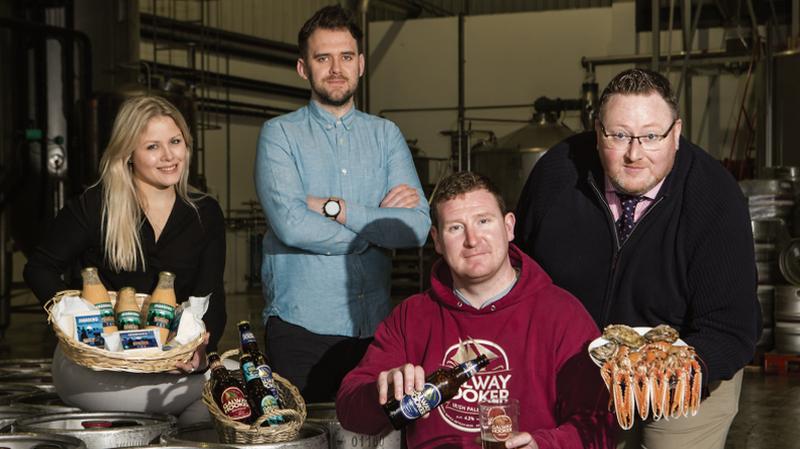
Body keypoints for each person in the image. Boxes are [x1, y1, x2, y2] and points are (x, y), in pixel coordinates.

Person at [514, 68, 760, 449]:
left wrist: (671, 373)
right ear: (598, 133)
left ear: (676, 133)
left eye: (651, 136)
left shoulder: (715, 197)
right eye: (619, 135)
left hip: (685, 371)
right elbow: (521, 277)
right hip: (578, 364)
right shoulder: (557, 174)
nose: (634, 153)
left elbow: (731, 329)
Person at [336, 171, 615, 449]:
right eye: (455, 228)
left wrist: (544, 445)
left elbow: (600, 422)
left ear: (508, 227)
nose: (472, 239)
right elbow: (349, 412)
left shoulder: (562, 314)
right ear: (437, 240)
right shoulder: (412, 317)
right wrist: (381, 390)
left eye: (483, 221)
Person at [254, 5, 430, 403]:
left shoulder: (386, 135)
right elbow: (291, 224)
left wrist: (336, 209)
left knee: (377, 439)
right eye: (323, 58)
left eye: (346, 57)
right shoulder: (279, 135)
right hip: (301, 330)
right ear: (303, 68)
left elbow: (416, 228)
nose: (336, 68)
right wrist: (375, 231)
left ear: (361, 64)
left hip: (376, 331)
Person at [23, 95, 227, 426]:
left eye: (175, 142)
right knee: (217, 392)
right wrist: (75, 323)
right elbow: (39, 268)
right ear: (128, 154)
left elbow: (210, 298)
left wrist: (202, 349)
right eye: (152, 147)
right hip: (96, 368)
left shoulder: (204, 213)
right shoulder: (96, 205)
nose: (168, 156)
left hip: (164, 364)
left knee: (235, 382)